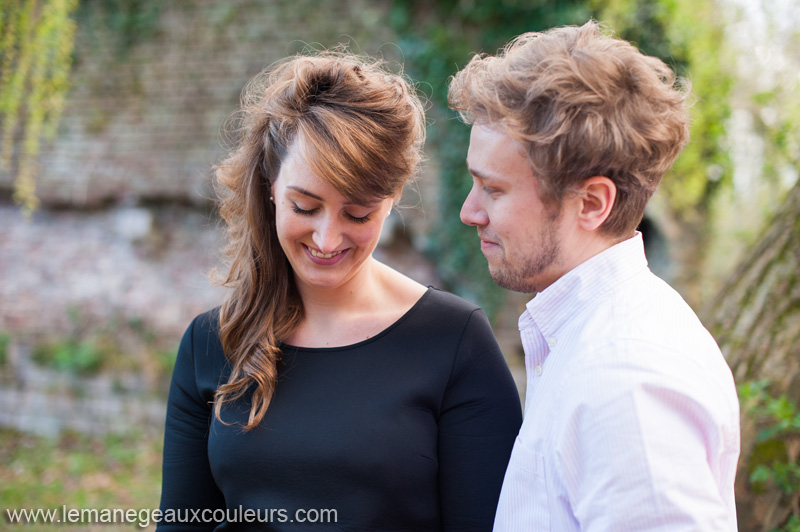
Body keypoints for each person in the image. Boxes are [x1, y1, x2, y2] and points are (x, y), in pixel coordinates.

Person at [156, 50, 522, 531]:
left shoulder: (456, 344)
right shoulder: (211, 342)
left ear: (390, 201)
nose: (328, 240)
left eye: (358, 214)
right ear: (270, 186)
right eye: (305, 207)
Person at [449, 21, 740, 531]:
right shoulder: (588, 343)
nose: (469, 212)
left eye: (492, 189)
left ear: (591, 203)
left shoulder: (627, 379)